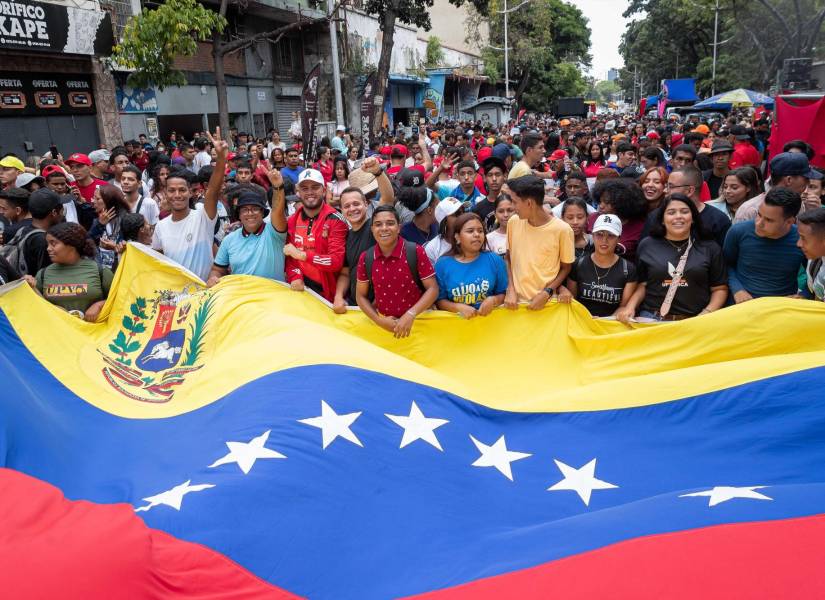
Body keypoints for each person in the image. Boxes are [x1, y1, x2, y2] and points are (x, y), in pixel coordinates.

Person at [617, 194, 728, 322]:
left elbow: (720, 289)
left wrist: (705, 314)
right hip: (652, 318)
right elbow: (643, 284)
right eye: (671, 212)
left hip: (694, 320)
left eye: (684, 212)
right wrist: (630, 307)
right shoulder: (647, 245)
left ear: (693, 218)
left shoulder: (710, 247)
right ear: (662, 220)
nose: (678, 216)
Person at [151, 127, 227, 281]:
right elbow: (157, 262)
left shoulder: (202, 217)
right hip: (176, 293)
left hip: (206, 291)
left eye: (182, 190)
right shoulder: (160, 227)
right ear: (165, 193)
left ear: (191, 192)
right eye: (171, 190)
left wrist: (220, 159)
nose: (177, 195)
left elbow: (213, 190)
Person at [355, 205, 438, 338]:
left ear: (399, 228)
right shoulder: (366, 258)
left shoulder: (415, 251)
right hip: (385, 329)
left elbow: (433, 289)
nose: (384, 228)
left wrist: (410, 314)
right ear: (372, 229)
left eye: (390, 223)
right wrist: (379, 320)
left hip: (418, 325)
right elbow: (360, 296)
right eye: (378, 224)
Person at [333, 158, 398, 311]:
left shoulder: (375, 227)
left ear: (366, 204)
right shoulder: (346, 236)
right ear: (341, 210)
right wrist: (338, 296)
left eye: (356, 204)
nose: (352, 209)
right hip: (356, 307)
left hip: (383, 307)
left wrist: (378, 172)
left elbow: (388, 199)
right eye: (347, 206)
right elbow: (345, 273)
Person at [723, 187, 806, 303]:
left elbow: (814, 274)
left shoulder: (802, 239)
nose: (759, 223)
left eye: (769, 220)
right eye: (759, 215)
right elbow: (725, 265)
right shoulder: (738, 231)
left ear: (789, 222)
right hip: (742, 304)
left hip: (782, 305)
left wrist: (803, 295)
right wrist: (737, 289)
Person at [504, 175, 575, 309]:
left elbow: (566, 267)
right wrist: (510, 288)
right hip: (515, 305)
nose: (512, 207)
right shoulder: (513, 222)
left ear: (529, 203)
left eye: (514, 202)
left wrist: (547, 292)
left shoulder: (563, 230)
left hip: (546, 305)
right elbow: (508, 258)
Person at [207, 170, 287, 286]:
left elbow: (277, 211)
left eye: (255, 208)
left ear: (262, 212)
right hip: (241, 295)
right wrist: (213, 278)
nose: (250, 213)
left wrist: (278, 187)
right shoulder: (229, 240)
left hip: (273, 294)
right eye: (245, 210)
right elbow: (218, 269)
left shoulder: (275, 233)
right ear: (239, 215)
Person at [25, 222, 113, 322]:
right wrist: (30, 288)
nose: (48, 249)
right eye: (48, 244)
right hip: (57, 331)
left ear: (71, 245)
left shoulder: (100, 271)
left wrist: (99, 305)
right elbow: (35, 305)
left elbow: (119, 299)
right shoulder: (43, 274)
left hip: (94, 330)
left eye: (53, 243)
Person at [284, 168, 348, 301]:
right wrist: (295, 276)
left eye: (315, 187)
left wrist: (302, 255)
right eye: (305, 188)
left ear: (324, 190)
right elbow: (290, 258)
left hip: (329, 294)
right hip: (303, 290)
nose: (310, 192)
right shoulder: (292, 221)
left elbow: (336, 261)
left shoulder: (335, 220)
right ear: (298, 192)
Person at [560, 214, 638, 318]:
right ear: (592, 235)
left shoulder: (628, 269)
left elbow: (623, 307)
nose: (604, 240)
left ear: (619, 239)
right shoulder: (578, 264)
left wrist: (603, 321)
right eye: (599, 234)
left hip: (610, 323)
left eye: (611, 235)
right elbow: (573, 300)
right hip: (581, 320)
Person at [435, 212, 507, 318]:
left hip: (490, 323)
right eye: (470, 231)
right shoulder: (442, 265)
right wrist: (457, 307)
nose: (477, 234)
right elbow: (439, 301)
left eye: (480, 231)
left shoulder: (494, 260)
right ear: (457, 237)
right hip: (457, 325)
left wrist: (494, 300)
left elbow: (505, 293)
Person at [733, 152, 817, 223]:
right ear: (789, 180)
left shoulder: (800, 205)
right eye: (806, 178)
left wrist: (812, 212)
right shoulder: (750, 211)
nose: (808, 182)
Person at [659, 166, 730, 247]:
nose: (665, 190)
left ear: (689, 191)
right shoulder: (659, 215)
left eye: (671, 186)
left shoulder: (718, 220)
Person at [589, 178, 648, 261]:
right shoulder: (592, 218)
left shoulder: (639, 227)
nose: (601, 206)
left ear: (622, 203)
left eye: (607, 202)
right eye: (600, 201)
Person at [424, 198, 464, 266]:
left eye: (464, 212)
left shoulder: (472, 238)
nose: (463, 217)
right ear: (444, 221)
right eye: (457, 214)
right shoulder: (432, 248)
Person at [797, 207, 825, 301]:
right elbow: (813, 288)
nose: (798, 244)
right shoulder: (815, 258)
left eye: (803, 238)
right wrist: (803, 296)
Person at [472, 157, 507, 226]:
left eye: (497, 174)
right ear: (484, 178)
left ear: (505, 176)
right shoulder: (478, 208)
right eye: (490, 175)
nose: (494, 179)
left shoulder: (513, 203)